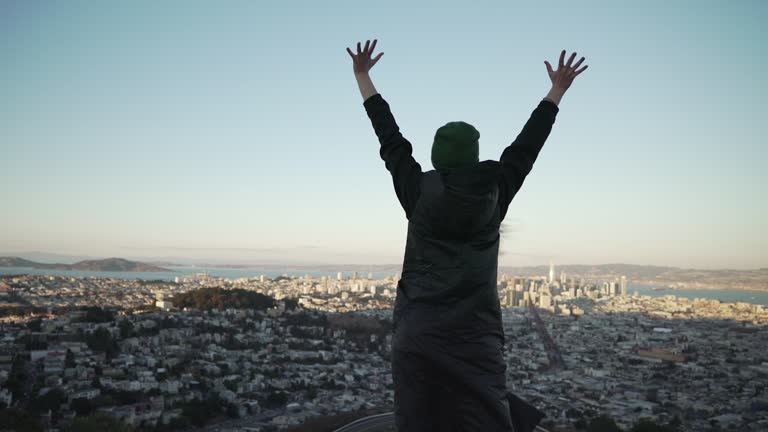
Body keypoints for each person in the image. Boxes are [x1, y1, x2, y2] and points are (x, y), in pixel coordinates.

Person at [346, 39, 587, 432]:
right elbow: (527, 146)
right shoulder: (496, 191)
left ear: (437, 157)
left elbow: (390, 139)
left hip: (418, 331)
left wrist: (363, 77)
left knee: (418, 420)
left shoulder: (417, 191)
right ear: (474, 156)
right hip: (475, 334)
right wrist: (556, 92)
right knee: (487, 419)